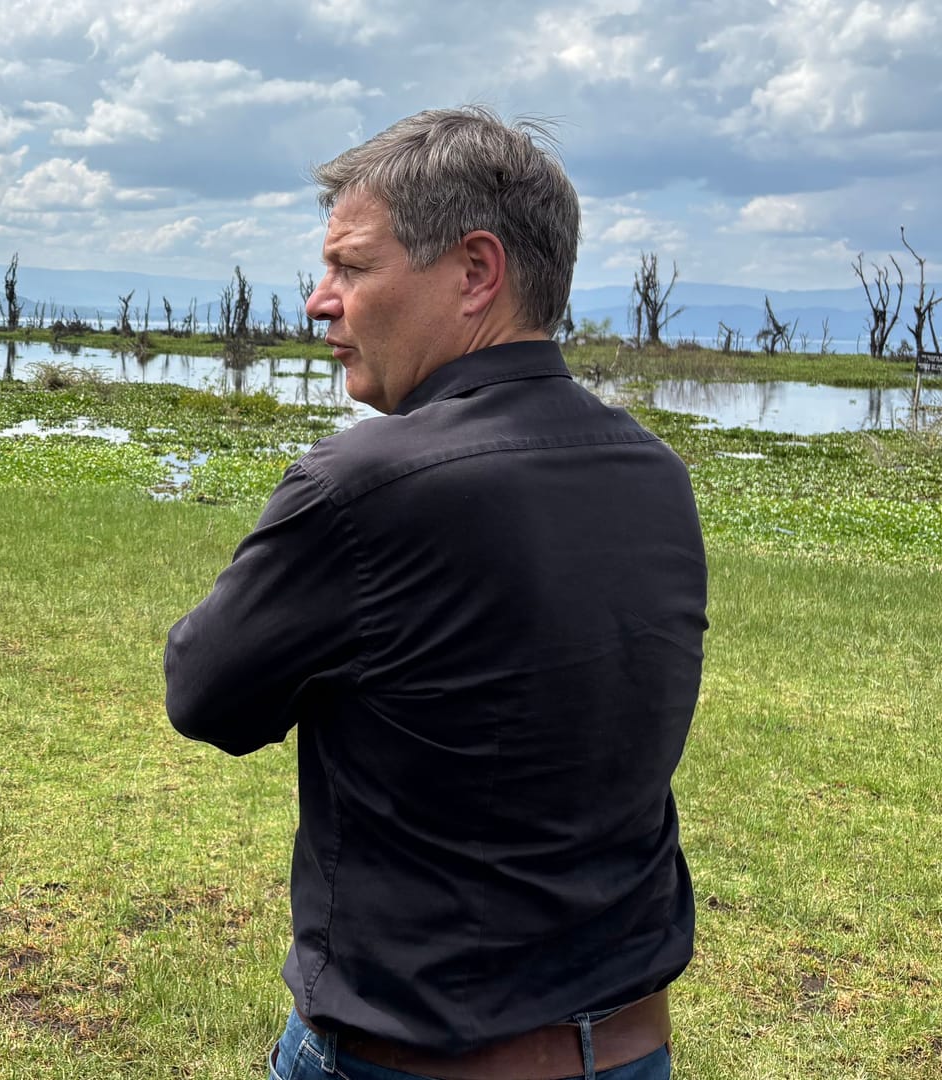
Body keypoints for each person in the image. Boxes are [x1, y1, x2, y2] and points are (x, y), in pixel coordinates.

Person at [164, 107, 707, 1080]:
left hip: (408, 1057)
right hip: (625, 1049)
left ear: (474, 272)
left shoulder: (363, 489)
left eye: (353, 267)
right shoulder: (653, 473)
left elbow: (203, 696)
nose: (318, 303)